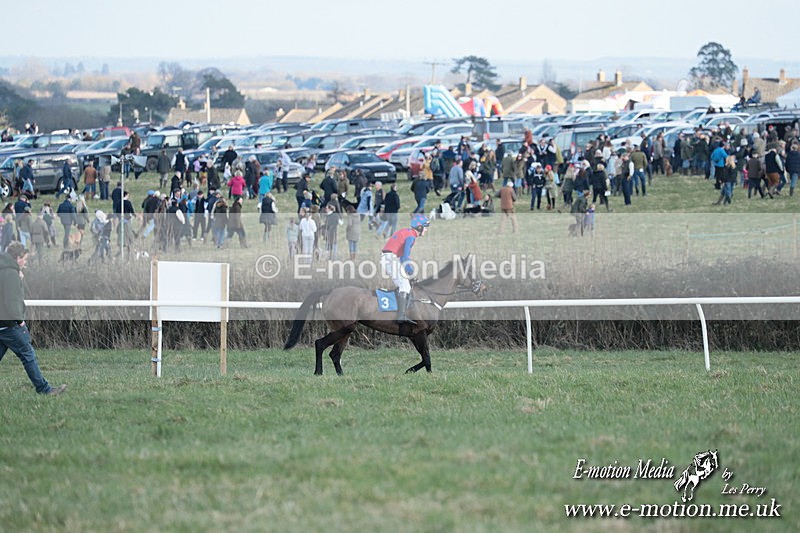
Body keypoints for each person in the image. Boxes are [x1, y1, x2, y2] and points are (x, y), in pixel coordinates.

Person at [0, 242, 67, 395]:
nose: (26, 262)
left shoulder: (6, 270)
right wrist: (20, 320)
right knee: (28, 355)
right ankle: (45, 390)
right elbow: (11, 300)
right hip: (10, 325)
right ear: (17, 258)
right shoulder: (11, 274)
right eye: (25, 259)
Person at [380, 214, 430, 325]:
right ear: (420, 227)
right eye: (425, 227)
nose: (426, 230)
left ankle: (401, 312)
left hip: (390, 257)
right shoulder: (411, 237)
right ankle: (401, 316)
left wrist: (409, 274)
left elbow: (402, 257)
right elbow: (405, 258)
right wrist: (411, 272)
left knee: (404, 284)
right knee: (405, 286)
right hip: (390, 258)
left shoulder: (407, 232)